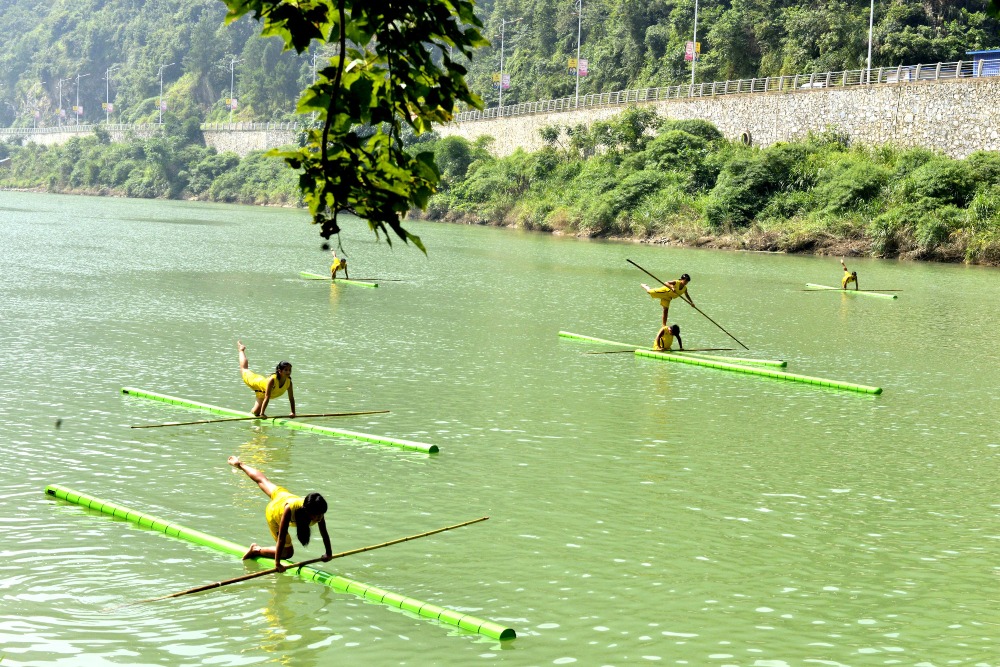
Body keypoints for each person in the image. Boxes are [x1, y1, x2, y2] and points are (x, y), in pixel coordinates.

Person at [228, 456, 333, 571]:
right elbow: (281, 538)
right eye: (317, 516)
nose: (320, 518)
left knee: (263, 481)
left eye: (321, 515)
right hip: (274, 513)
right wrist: (277, 563)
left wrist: (329, 553)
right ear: (308, 511)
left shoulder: (317, 509)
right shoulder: (289, 510)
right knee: (287, 553)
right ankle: (256, 550)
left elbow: (324, 533)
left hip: (283, 496)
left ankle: (240, 464)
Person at [238, 340, 295, 418]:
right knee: (244, 369)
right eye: (286, 370)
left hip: (262, 391)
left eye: (289, 370)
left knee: (256, 412)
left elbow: (291, 398)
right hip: (256, 383)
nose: (288, 372)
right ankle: (241, 350)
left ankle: (253, 416)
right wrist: (263, 414)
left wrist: (293, 412)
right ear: (280, 371)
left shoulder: (289, 382)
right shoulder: (272, 380)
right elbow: (267, 397)